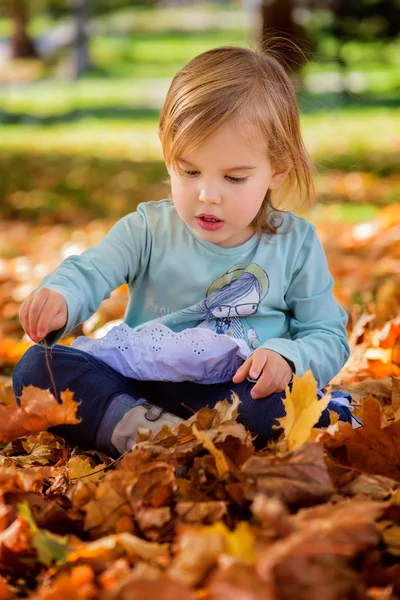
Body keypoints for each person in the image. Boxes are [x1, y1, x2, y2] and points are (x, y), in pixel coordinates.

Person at [13, 46, 353, 457]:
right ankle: (151, 436)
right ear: (166, 150)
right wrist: (62, 297)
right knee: (37, 369)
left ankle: (184, 442)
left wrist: (288, 356)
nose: (208, 195)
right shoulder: (148, 229)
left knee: (281, 408)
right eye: (189, 171)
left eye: (234, 177)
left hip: (234, 395)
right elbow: (92, 271)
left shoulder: (294, 243)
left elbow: (327, 334)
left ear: (276, 169)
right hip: (136, 386)